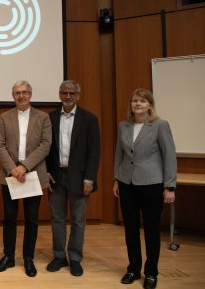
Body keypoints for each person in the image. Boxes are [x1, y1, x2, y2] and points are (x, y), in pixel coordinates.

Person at [113, 89, 176, 289]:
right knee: (130, 229)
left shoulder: (160, 126)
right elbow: (118, 156)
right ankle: (133, 268)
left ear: (150, 105)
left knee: (151, 230)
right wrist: (116, 180)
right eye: (134, 101)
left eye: (142, 101)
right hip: (126, 184)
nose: (138, 104)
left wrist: (170, 186)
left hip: (151, 184)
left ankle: (151, 272)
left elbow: (169, 156)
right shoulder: (124, 126)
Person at [0, 80, 51, 277]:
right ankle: (8, 256)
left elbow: (45, 145)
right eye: (17, 93)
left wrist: (24, 167)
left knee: (31, 219)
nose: (21, 96)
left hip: (33, 174)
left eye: (25, 92)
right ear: (13, 96)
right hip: (10, 175)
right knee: (9, 218)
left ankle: (28, 258)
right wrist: (13, 168)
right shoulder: (4, 117)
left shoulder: (43, 117)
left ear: (31, 94)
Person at [45, 80, 100, 276]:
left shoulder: (89, 119)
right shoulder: (49, 118)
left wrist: (90, 179)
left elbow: (94, 152)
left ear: (78, 96)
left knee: (78, 220)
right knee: (57, 219)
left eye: (71, 93)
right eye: (64, 93)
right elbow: (45, 148)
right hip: (55, 176)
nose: (67, 97)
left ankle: (75, 257)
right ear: (59, 94)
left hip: (80, 178)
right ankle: (59, 256)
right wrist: (45, 171)